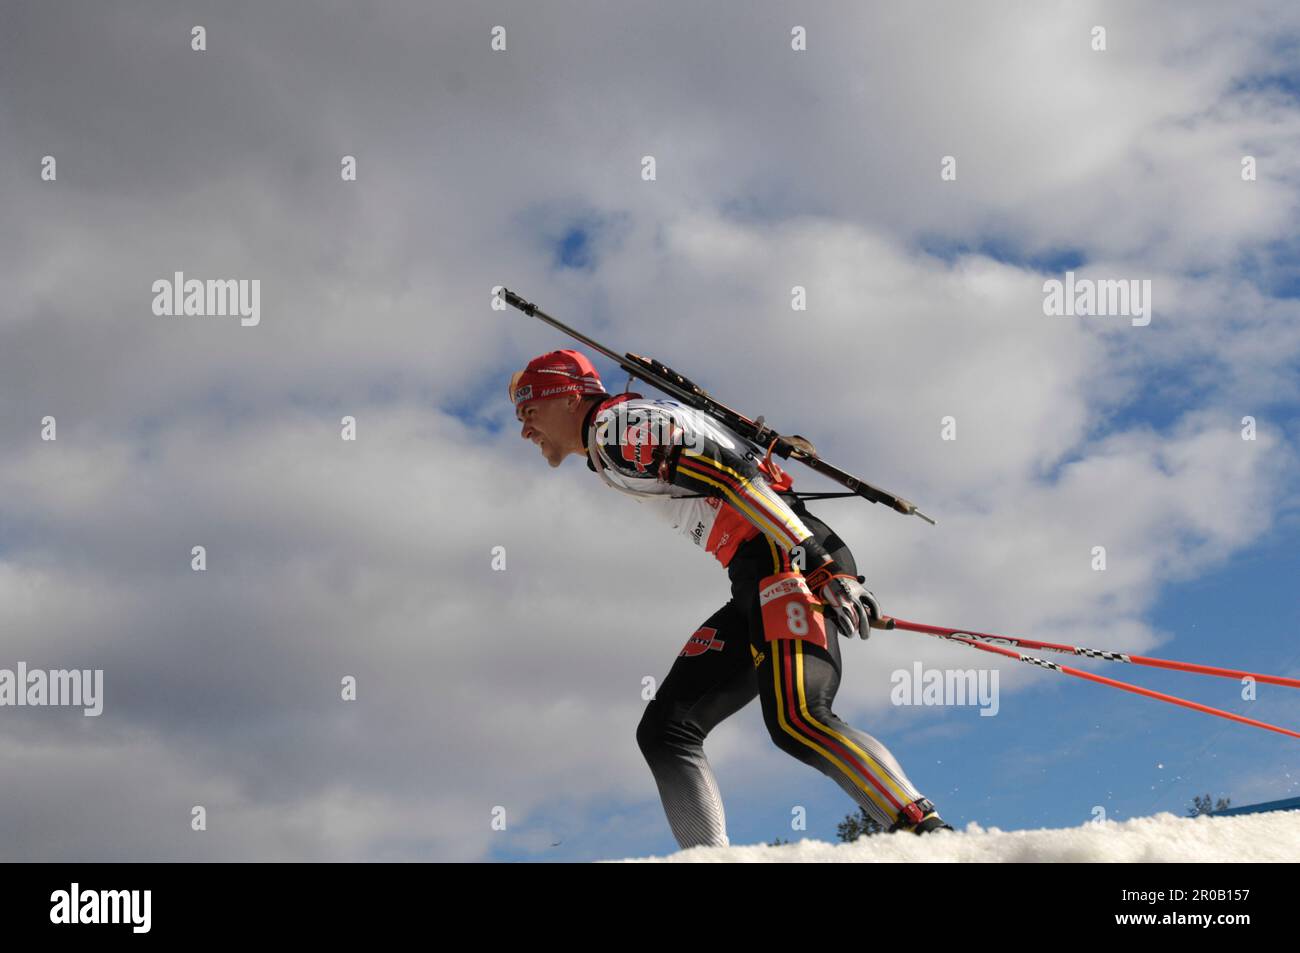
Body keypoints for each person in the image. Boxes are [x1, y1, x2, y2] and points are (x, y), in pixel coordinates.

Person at [508, 348, 952, 847]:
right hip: (759, 569)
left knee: (798, 717)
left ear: (571, 399)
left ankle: (930, 835)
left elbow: (734, 479)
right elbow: (738, 462)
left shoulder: (616, 428)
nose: (524, 429)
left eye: (529, 410)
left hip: (784, 555)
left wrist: (816, 563)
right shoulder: (623, 429)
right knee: (666, 730)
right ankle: (709, 860)